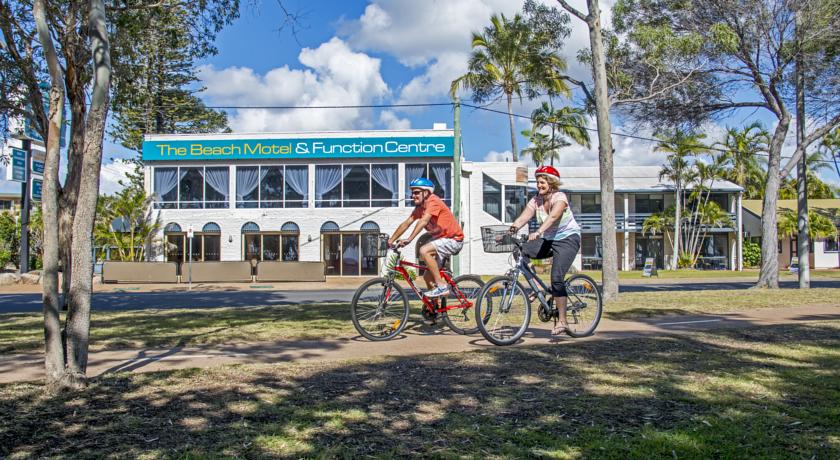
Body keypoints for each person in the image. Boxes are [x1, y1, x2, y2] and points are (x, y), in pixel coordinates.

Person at [508, 165, 581, 335]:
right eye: (538, 182)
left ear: (551, 183)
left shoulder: (559, 197)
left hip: (567, 239)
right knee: (520, 250)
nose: (539, 185)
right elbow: (525, 216)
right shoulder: (536, 200)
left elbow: (554, 216)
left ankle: (563, 321)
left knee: (556, 278)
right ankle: (536, 288)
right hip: (548, 239)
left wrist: (539, 231)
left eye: (542, 182)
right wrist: (510, 230)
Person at [389, 177, 464, 302]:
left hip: (453, 239)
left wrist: (409, 239)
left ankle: (442, 286)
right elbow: (406, 223)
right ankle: (434, 310)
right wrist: (391, 240)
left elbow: (424, 221)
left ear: (426, 192)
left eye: (416, 192)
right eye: (412, 192)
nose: (413, 195)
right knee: (427, 278)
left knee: (424, 251)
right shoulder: (420, 208)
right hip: (442, 241)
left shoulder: (433, 201)